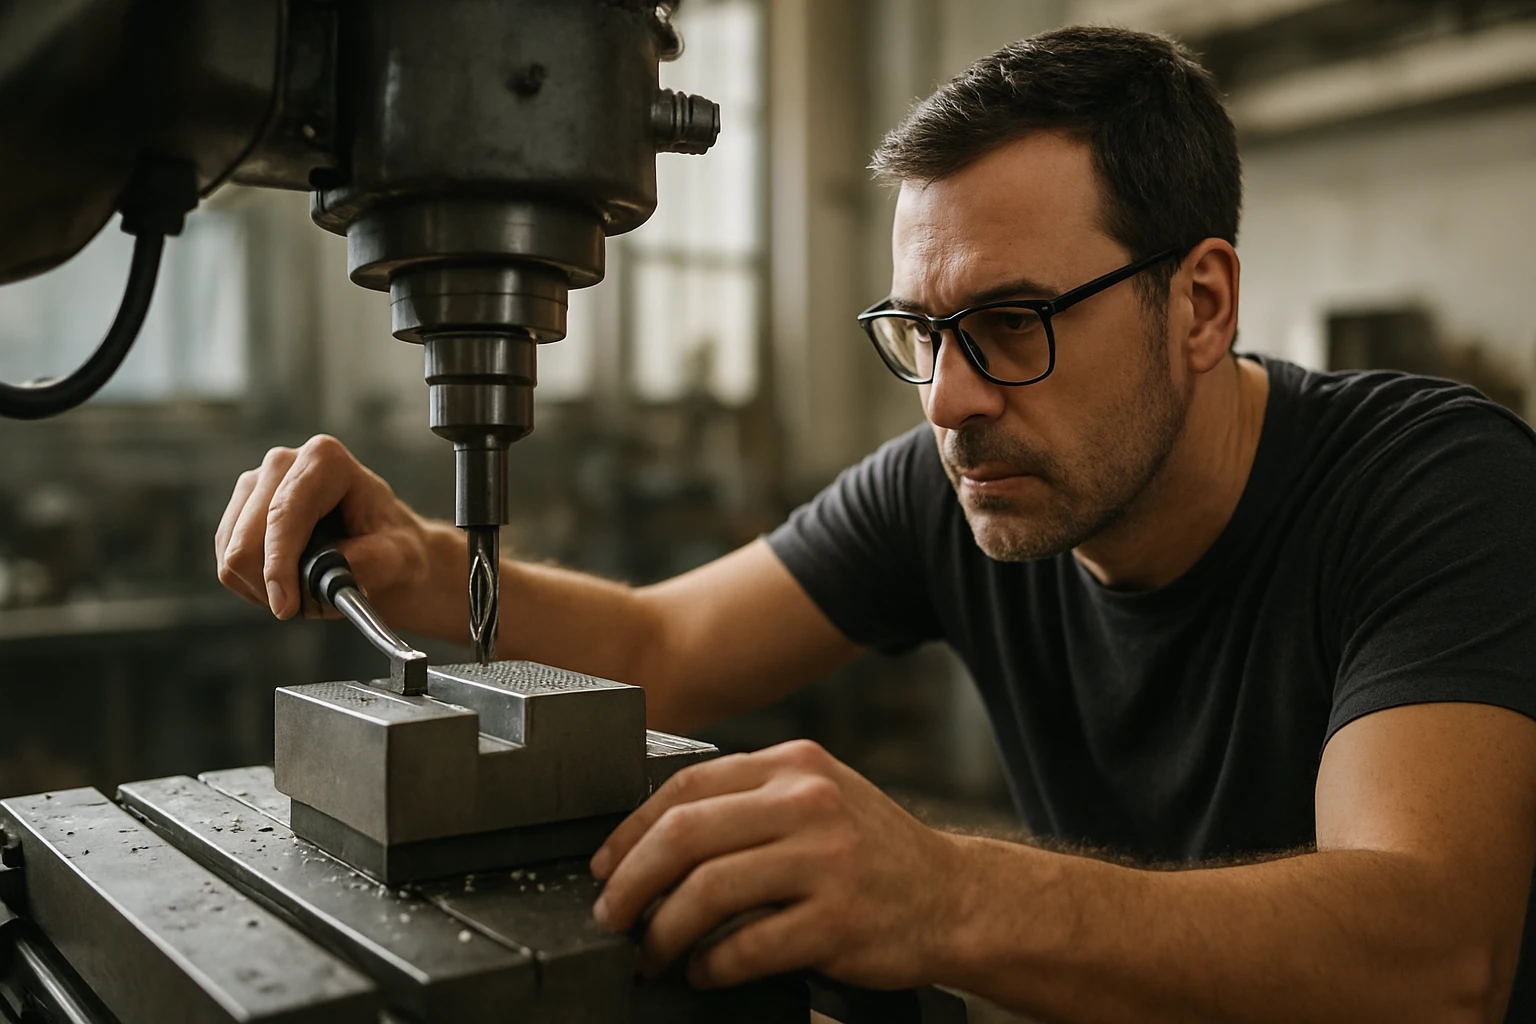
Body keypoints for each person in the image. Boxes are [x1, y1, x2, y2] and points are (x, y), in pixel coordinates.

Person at [215, 25, 1536, 1023]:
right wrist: (425, 564)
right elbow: (666, 645)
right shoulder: (956, 488)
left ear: (1200, 305)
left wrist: (952, 892)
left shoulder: (1433, 488)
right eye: (923, 331)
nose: (950, 399)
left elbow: (1437, 952)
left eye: (1012, 324)